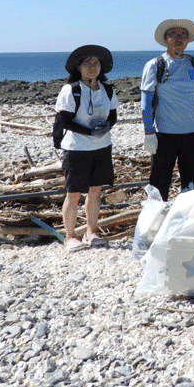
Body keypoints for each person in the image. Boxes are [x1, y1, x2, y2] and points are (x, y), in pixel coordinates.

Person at [141, 19, 194, 201]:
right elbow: (146, 102)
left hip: (192, 134)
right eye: (173, 34)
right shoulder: (155, 65)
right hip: (164, 135)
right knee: (159, 185)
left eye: (183, 34)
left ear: (188, 40)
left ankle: (188, 223)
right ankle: (155, 224)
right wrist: (148, 131)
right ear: (165, 39)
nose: (178, 38)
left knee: (192, 185)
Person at [55, 45, 118, 252]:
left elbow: (113, 115)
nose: (92, 67)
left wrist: (105, 128)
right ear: (78, 68)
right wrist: (89, 132)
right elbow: (64, 120)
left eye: (96, 63)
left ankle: (91, 233)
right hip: (76, 149)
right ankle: (70, 236)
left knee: (96, 191)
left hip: (101, 147)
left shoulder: (107, 90)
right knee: (73, 193)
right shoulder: (71, 90)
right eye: (87, 63)